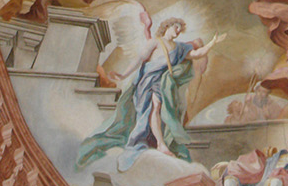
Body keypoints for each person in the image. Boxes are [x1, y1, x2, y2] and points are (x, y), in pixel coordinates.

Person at [77, 17, 225, 169]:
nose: (178, 31)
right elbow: (140, 59)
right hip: (147, 80)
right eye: (176, 27)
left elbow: (197, 54)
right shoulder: (155, 42)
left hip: (162, 82)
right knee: (151, 109)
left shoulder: (179, 47)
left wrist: (213, 42)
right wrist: (123, 75)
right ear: (167, 26)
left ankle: (160, 143)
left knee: (157, 107)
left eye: (180, 29)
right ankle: (158, 143)